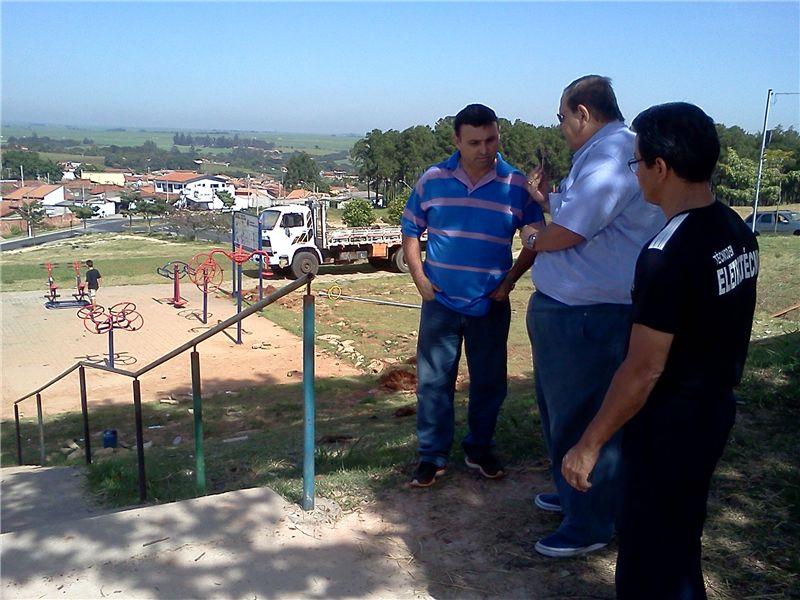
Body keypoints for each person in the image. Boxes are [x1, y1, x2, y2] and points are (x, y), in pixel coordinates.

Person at [561, 102, 758, 599]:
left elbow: (644, 368)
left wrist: (589, 444)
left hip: (671, 421)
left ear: (660, 169)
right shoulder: (735, 229)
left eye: (637, 163)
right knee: (680, 536)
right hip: (715, 408)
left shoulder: (666, 254)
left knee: (650, 553)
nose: (636, 173)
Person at [519, 75, 665, 557]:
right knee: (561, 413)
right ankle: (571, 493)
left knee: (582, 417)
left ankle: (589, 523)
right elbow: (587, 213)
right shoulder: (610, 152)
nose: (561, 127)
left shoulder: (609, 158)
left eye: (562, 117)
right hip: (574, 308)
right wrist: (548, 202)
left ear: (584, 113)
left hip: (588, 314)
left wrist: (535, 236)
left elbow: (572, 231)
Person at [401, 103, 545, 487]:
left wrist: (512, 279)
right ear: (457, 141)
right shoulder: (431, 180)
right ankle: (432, 456)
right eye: (475, 141)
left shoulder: (516, 185)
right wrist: (419, 277)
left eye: (492, 139)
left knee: (489, 383)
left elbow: (535, 237)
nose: (485, 149)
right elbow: (411, 229)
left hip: (491, 303)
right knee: (433, 383)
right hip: (440, 304)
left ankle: (479, 449)